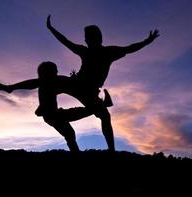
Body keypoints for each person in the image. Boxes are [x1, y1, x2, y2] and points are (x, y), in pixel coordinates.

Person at [45, 15, 159, 151]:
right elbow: (65, 41)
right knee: (53, 83)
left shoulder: (107, 52)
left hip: (86, 90)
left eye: (88, 37)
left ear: (97, 38)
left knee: (105, 116)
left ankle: (111, 149)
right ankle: (47, 109)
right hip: (78, 84)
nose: (86, 39)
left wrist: (147, 41)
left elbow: (129, 49)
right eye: (86, 37)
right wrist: (51, 28)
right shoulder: (90, 51)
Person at [0, 61, 108, 152]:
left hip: (54, 115)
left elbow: (67, 84)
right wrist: (10, 87)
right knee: (76, 122)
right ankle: (103, 105)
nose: (57, 72)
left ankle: (76, 152)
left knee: (70, 134)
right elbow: (31, 84)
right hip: (54, 115)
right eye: (55, 71)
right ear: (48, 73)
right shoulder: (46, 81)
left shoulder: (50, 83)